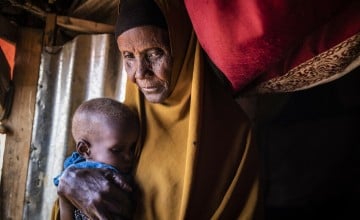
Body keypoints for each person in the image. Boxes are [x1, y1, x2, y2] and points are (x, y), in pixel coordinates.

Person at [52, 0, 262, 219]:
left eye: (154, 53)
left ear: (183, 49)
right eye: (129, 56)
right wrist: (67, 190)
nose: (140, 73)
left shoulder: (232, 134)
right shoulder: (120, 123)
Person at [53, 97, 139, 220]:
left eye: (132, 148)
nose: (128, 156)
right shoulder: (78, 179)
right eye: (117, 150)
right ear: (84, 149)